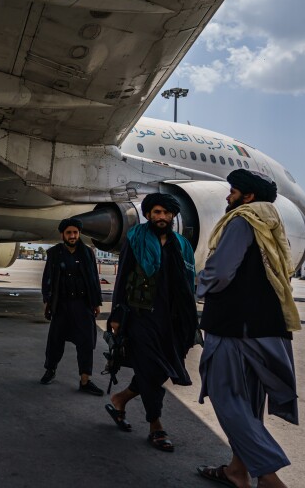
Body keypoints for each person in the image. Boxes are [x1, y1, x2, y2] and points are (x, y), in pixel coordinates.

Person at [196, 170, 300, 488]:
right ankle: (236, 471)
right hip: (267, 326)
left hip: (234, 327)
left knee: (226, 397)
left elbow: (221, 272)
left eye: (233, 191)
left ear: (248, 197)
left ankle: (269, 477)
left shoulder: (242, 219)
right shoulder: (272, 222)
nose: (228, 197)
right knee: (250, 403)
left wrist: (196, 284)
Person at [104, 193, 198, 452]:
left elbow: (188, 284)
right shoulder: (136, 240)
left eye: (167, 213)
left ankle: (120, 399)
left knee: (163, 368)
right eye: (157, 212)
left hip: (173, 318)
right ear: (147, 215)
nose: (162, 217)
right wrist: (115, 316)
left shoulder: (181, 245)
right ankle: (155, 425)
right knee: (149, 366)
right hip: (141, 315)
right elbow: (122, 279)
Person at [40, 218, 104, 395]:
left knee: (85, 342)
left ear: (79, 234)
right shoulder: (54, 253)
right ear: (63, 234)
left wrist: (96, 302)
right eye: (69, 233)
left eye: (75, 232)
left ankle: (85, 380)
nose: (73, 236)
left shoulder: (87, 253)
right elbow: (47, 278)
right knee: (55, 341)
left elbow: (94, 279)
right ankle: (50, 370)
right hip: (61, 305)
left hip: (83, 305)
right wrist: (47, 300)